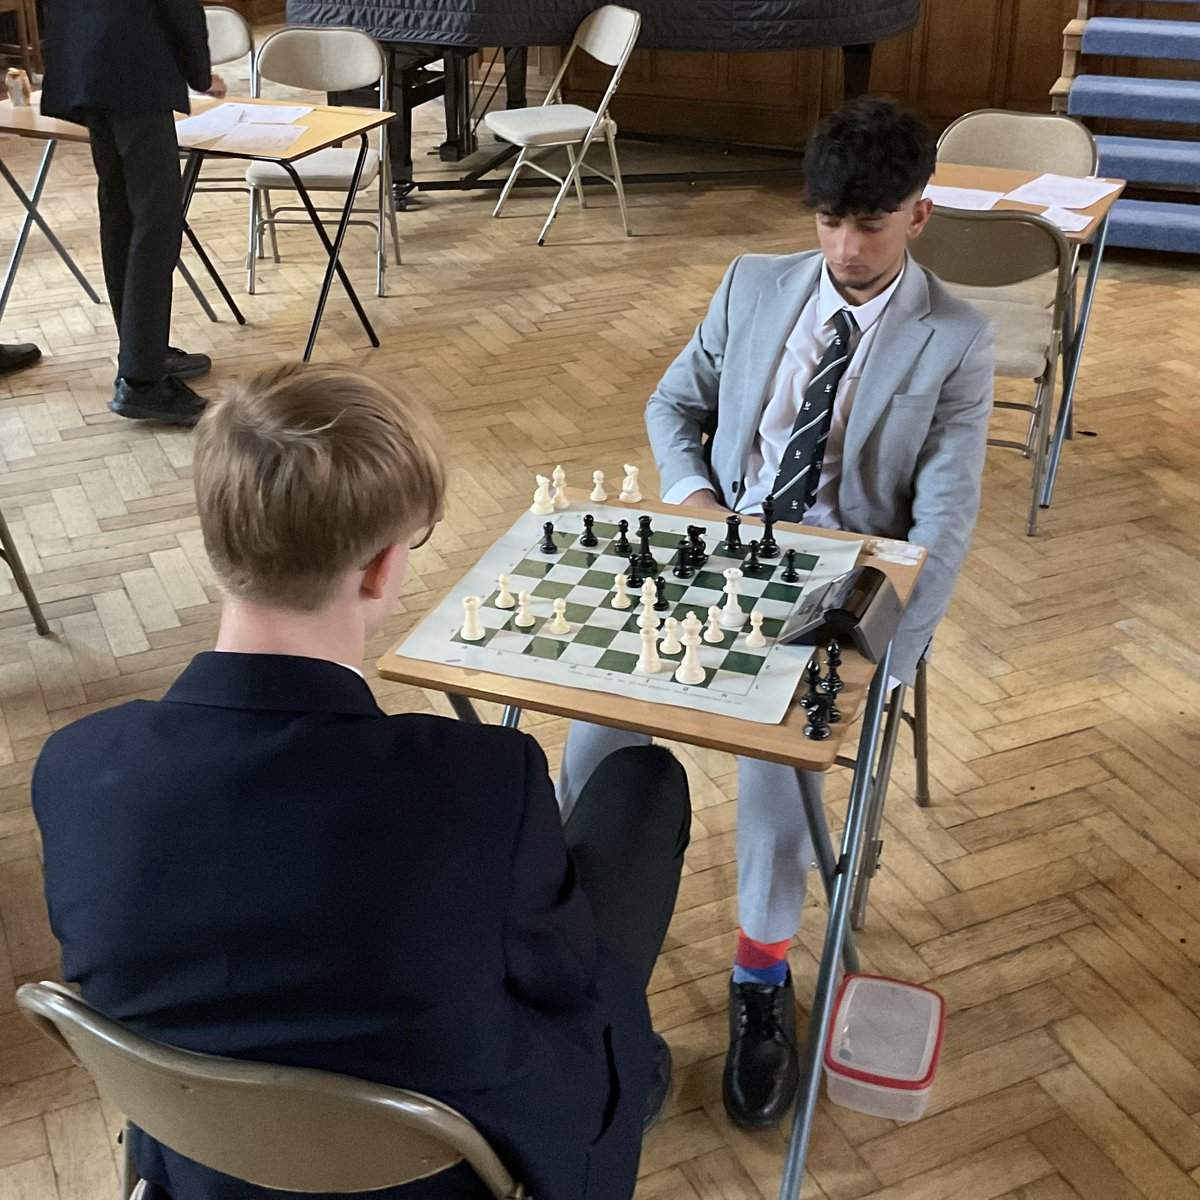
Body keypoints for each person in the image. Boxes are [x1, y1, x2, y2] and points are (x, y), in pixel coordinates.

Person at [33, 364, 692, 1200]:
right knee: (641, 788)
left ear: (215, 546)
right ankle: (638, 1080)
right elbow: (561, 984)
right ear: (383, 569)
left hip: (200, 1165)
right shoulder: (481, 783)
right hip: (443, 1174)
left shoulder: (75, 767)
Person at [559, 98, 995, 1131]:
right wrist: (699, 503)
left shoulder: (957, 339)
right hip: (725, 543)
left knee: (776, 755)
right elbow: (676, 404)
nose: (846, 246)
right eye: (829, 220)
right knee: (597, 716)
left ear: (917, 216)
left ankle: (761, 977)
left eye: (871, 225)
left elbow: (942, 525)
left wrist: (876, 659)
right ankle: (578, 956)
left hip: (844, 580)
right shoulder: (754, 284)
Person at [40, 0, 225, 427]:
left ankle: (143, 352)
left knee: (121, 212)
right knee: (156, 224)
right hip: (134, 68)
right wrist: (198, 74)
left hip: (85, 66)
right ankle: (143, 383)